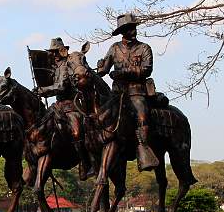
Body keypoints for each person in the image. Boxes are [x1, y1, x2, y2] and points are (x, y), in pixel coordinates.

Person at [96, 13, 159, 171]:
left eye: (134, 27)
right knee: (99, 116)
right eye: (130, 28)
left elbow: (146, 69)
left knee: (142, 116)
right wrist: (99, 67)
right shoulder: (114, 48)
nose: (134, 30)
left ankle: (143, 149)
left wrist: (124, 72)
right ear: (123, 31)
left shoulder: (144, 48)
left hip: (136, 92)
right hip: (117, 93)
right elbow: (104, 70)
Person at [34, 38, 96, 180]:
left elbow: (61, 86)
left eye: (56, 52)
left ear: (62, 51)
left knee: (76, 132)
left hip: (72, 106)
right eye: (52, 52)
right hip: (58, 106)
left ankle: (86, 162)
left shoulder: (67, 65)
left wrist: (44, 90)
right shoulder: (55, 67)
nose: (54, 55)